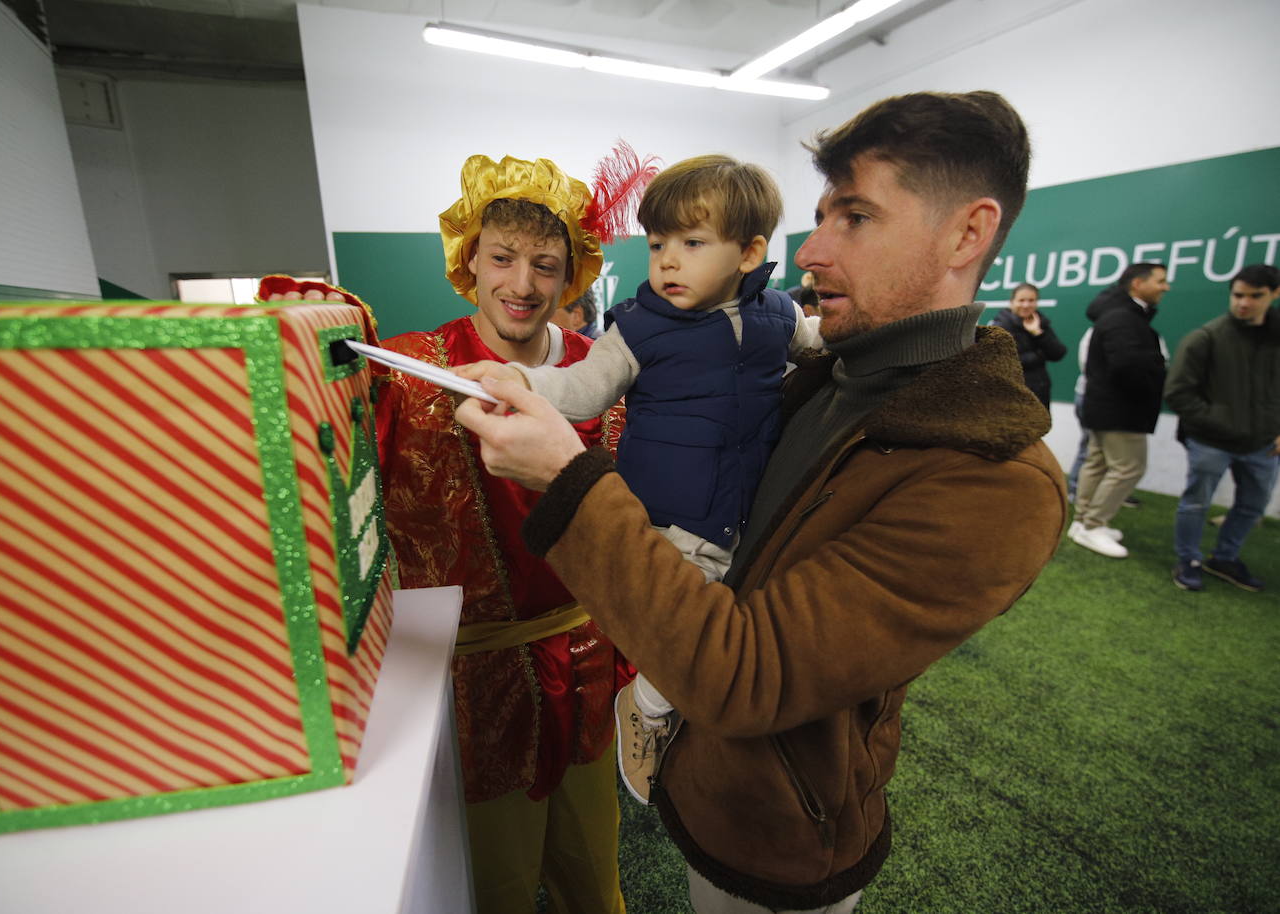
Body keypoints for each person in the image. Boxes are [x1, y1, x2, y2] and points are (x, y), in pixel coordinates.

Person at [455, 90, 1065, 914]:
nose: (809, 250)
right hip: (709, 787)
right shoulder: (826, 373)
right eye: (818, 216)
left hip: (784, 835)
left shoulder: (992, 479)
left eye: (854, 217)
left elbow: (745, 676)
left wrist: (570, 479)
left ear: (968, 232)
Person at [268, 154, 628, 914]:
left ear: (572, 276)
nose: (522, 284)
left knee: (592, 877)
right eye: (501, 258)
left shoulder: (606, 371)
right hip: (471, 688)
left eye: (544, 264)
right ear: (469, 260)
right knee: (491, 887)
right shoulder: (405, 369)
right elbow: (304, 409)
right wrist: (302, 319)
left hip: (588, 666)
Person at [456, 154, 823, 805]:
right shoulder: (639, 328)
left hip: (743, 513)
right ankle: (648, 711)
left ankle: (677, 715)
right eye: (657, 245)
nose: (669, 262)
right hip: (672, 515)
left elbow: (821, 344)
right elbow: (582, 388)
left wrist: (867, 330)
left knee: (745, 620)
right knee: (690, 629)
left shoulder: (778, 317)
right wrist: (523, 381)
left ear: (750, 253)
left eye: (691, 242)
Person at [1165, 263, 1280, 591]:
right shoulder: (1207, 338)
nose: (1244, 303)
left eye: (1255, 296)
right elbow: (1178, 392)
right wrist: (1216, 424)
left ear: (1274, 294)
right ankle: (1189, 559)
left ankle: (1225, 558)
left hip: (1263, 444)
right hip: (1211, 442)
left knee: (1253, 505)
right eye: (1238, 295)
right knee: (1196, 502)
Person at [1067, 262, 1170, 558]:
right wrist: (1154, 378)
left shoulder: (1119, 315)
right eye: (1160, 281)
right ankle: (1092, 525)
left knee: (1097, 462)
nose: (1166, 287)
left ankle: (1083, 521)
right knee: (1128, 467)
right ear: (1138, 284)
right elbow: (1128, 366)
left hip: (1106, 406)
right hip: (1120, 409)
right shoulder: (1123, 318)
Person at [989, 282, 1066, 409]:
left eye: (1031, 300)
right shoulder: (1001, 327)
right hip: (1012, 397)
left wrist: (1038, 333)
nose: (1026, 305)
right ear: (1012, 302)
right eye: (1021, 300)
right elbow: (1003, 361)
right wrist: (1039, 355)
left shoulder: (1041, 323)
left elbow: (1058, 353)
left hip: (1040, 395)